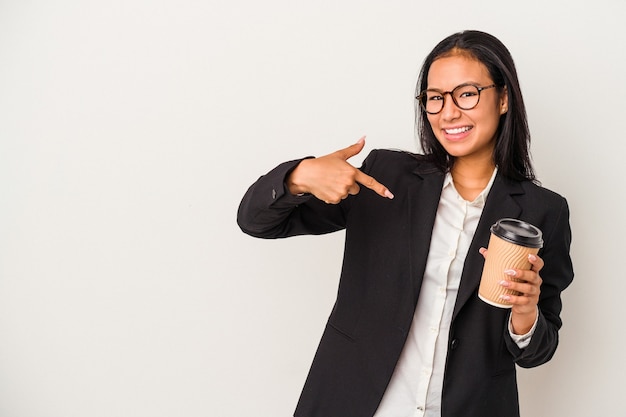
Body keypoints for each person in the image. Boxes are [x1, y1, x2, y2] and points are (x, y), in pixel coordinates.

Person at [237, 30, 574, 417]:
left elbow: (538, 352)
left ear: (502, 99)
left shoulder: (542, 211)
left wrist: (526, 314)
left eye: (466, 94)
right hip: (355, 403)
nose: (448, 112)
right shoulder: (387, 179)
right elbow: (256, 221)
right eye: (435, 98)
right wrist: (298, 177)